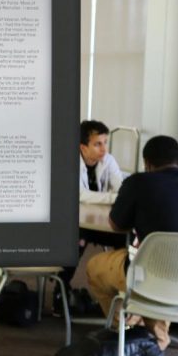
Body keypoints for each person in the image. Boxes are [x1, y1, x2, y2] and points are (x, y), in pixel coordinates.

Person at [85, 135, 178, 351]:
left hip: (152, 279)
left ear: (147, 163)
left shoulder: (137, 182)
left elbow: (116, 225)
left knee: (95, 267)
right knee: (160, 268)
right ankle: (151, 328)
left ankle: (127, 332)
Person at [55, 120, 127, 314]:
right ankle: (60, 291)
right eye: (98, 144)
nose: (104, 149)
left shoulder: (108, 160)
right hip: (73, 222)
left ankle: (123, 291)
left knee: (124, 238)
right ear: (83, 147)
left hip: (100, 222)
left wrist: (114, 196)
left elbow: (121, 188)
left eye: (105, 142)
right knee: (76, 238)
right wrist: (112, 197)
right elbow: (79, 195)